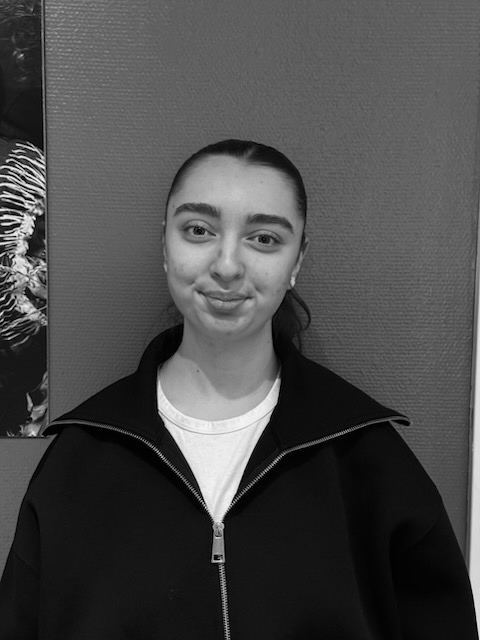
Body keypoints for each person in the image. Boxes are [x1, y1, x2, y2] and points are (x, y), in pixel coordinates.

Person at [0, 139, 477, 639]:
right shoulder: (79, 462)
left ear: (297, 259)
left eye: (264, 239)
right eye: (198, 230)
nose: (227, 265)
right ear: (165, 245)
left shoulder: (370, 461)